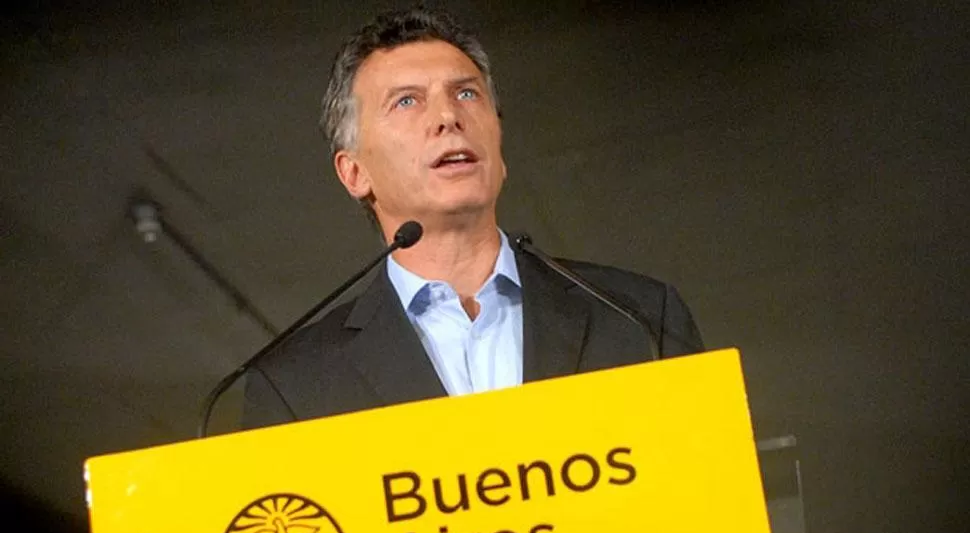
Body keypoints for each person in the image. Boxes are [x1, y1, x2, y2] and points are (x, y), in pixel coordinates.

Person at [241, 7, 704, 429]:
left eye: (466, 93)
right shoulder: (295, 386)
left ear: (498, 145)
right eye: (406, 101)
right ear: (355, 173)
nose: (448, 116)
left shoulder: (639, 320)